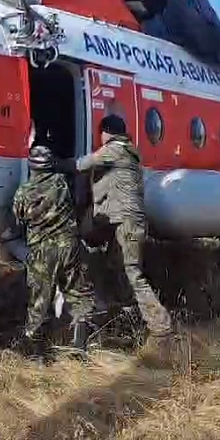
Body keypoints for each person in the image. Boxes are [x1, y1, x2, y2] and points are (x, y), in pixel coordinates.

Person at [57, 114, 173, 343]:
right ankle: (127, 313)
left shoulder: (115, 149)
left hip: (126, 222)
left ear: (107, 132)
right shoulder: (128, 151)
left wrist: (55, 164)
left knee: (132, 274)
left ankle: (162, 327)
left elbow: (82, 164)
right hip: (125, 221)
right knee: (116, 266)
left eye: (101, 133)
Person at [11, 144, 99, 361]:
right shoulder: (62, 184)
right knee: (79, 296)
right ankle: (79, 348)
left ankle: (40, 354)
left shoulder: (24, 192)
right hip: (69, 246)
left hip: (42, 251)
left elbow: (18, 219)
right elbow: (80, 201)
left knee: (40, 301)